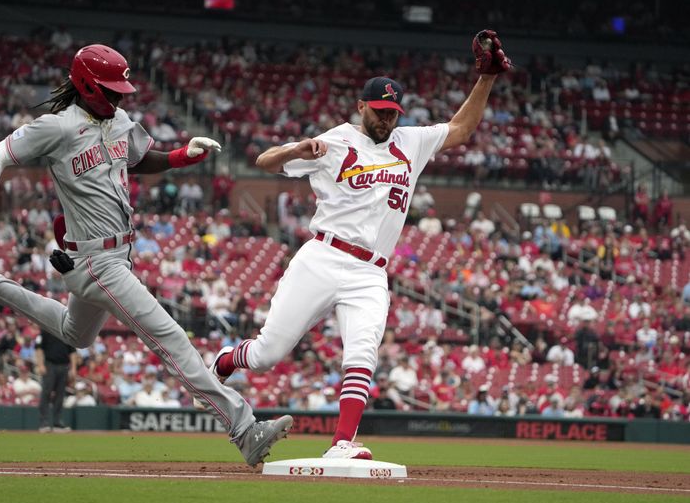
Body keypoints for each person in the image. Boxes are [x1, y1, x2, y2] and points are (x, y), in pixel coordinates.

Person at [0, 44, 291, 465]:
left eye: (121, 89)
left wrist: (178, 156)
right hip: (97, 262)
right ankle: (244, 428)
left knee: (74, 333)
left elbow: (135, 159)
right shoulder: (57, 128)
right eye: (110, 89)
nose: (118, 97)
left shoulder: (118, 121)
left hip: (116, 255)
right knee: (172, 338)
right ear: (85, 84)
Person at [201, 31, 511, 459]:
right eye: (380, 111)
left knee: (363, 352)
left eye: (393, 113)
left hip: (370, 272)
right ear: (362, 106)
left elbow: (460, 129)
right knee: (269, 352)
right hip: (323, 256)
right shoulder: (336, 141)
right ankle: (218, 366)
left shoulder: (409, 142)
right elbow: (264, 162)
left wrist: (487, 79)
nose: (387, 120)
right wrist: (300, 147)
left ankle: (342, 443)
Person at [36, 329, 76, 432]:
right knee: (46, 393)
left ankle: (57, 422)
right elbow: (38, 348)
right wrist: (40, 364)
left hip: (64, 366)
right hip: (50, 365)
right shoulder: (46, 330)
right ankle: (43, 423)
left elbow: (72, 351)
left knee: (60, 395)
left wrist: (73, 368)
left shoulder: (67, 332)